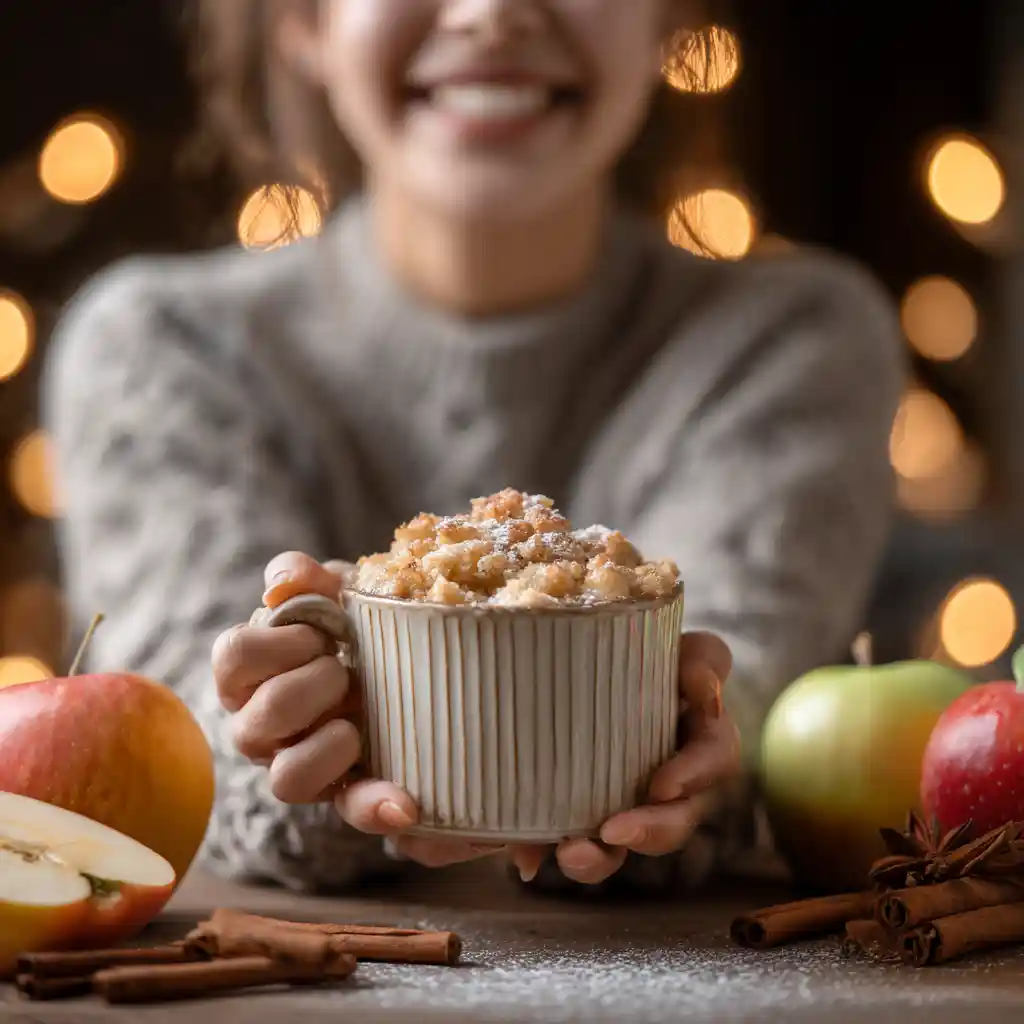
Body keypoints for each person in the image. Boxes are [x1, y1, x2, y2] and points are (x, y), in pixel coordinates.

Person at [43, 0, 904, 895]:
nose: (491, 15)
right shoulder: (157, 347)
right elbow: (185, 732)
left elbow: (738, 682)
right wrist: (277, 742)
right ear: (303, 21)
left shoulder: (796, 341)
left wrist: (686, 754)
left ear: (669, 19)